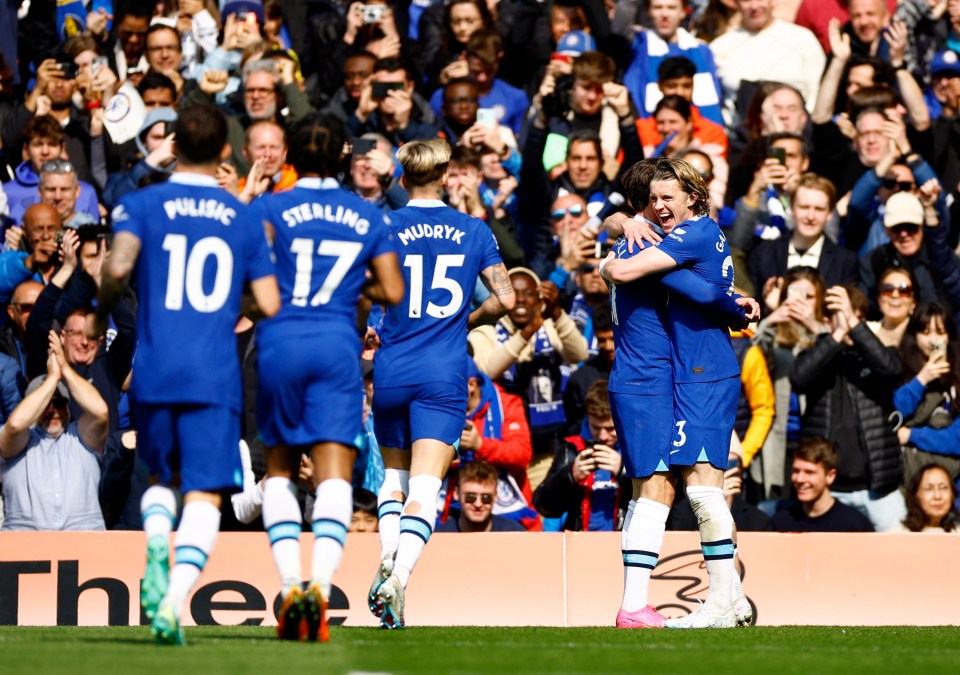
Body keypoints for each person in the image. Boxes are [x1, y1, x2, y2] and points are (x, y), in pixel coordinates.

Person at [93, 103, 280, 646]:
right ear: (226, 151)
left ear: (172, 146)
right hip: (213, 372)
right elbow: (267, 299)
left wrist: (109, 303)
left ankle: (154, 540)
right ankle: (174, 600)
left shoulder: (139, 204)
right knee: (203, 494)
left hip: (156, 365)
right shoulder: (243, 218)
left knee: (158, 477)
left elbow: (118, 269)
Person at [254, 112, 404, 642]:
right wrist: (355, 287)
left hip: (279, 342)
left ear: (290, 154)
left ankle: (290, 587)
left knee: (278, 467)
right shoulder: (366, 217)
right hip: (337, 345)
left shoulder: (271, 207)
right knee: (334, 471)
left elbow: (251, 275)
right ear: (343, 154)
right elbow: (393, 291)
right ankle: (319, 589)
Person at [598, 158, 760, 629]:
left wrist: (611, 258)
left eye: (668, 196)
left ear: (692, 197)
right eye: (652, 199)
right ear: (640, 206)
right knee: (659, 489)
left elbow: (689, 285)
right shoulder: (639, 239)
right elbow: (696, 289)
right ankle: (647, 605)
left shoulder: (677, 238)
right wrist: (734, 302)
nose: (660, 205)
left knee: (686, 490)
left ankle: (724, 600)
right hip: (653, 380)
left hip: (689, 375)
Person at [369, 138, 515, 630]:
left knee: (393, 481)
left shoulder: (384, 224)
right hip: (442, 371)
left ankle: (388, 559)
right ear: (448, 177)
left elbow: (365, 291)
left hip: (391, 368)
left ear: (402, 178)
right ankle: (398, 577)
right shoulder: (474, 229)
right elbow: (508, 297)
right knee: (426, 488)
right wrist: (466, 317)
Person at [789, 283, 905, 531]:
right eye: (840, 317)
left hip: (879, 490)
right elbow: (799, 379)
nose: (850, 325)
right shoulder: (815, 356)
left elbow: (892, 370)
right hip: (829, 493)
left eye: (857, 318)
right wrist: (835, 336)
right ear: (827, 321)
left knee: (897, 560)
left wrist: (852, 322)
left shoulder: (882, 355)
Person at [0, 332, 109, 531]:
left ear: (68, 407)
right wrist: (52, 380)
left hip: (84, 544)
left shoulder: (80, 436)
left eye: (59, 403)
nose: (53, 410)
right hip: (25, 550)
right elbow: (15, 425)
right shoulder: (19, 440)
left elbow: (101, 411)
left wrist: (65, 368)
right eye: (45, 404)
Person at [534, 379, 631, 532]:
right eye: (596, 427)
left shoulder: (636, 449)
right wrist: (570, 476)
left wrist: (624, 471)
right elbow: (544, 507)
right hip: (580, 545)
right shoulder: (570, 450)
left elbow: (667, 498)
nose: (602, 436)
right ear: (587, 419)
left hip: (625, 543)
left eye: (610, 428)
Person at [894, 303, 960, 482]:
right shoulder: (898, 368)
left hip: (951, 477)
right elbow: (894, 413)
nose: (933, 340)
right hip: (909, 475)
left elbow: (957, 439)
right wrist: (921, 380)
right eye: (925, 332)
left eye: (940, 332)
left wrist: (911, 435)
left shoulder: (957, 376)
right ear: (914, 336)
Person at [770, 438, 876, 532]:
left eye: (809, 472)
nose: (800, 479)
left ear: (830, 476)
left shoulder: (854, 526)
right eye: (796, 471)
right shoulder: (781, 522)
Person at [436, 459, 525, 532]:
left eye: (486, 498)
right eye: (470, 497)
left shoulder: (514, 534)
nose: (478, 504)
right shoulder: (438, 537)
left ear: (495, 497)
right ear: (456, 494)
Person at [896, 463, 959, 533]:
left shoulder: (956, 533)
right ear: (914, 495)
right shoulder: (899, 535)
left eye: (943, 488)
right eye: (928, 488)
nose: (937, 496)